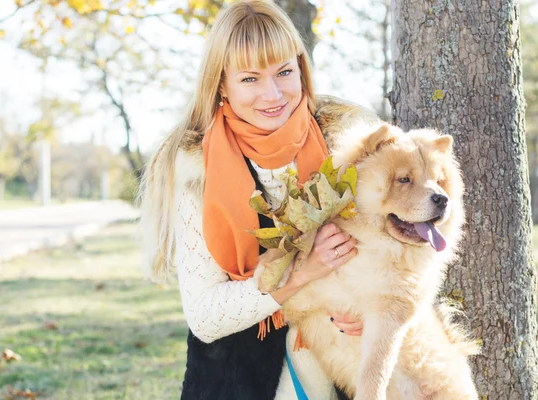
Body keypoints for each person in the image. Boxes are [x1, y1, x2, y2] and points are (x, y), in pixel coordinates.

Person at [139, 1, 378, 398]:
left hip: (337, 363)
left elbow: (394, 250)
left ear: (300, 70)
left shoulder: (347, 142)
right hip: (236, 375)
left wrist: (371, 309)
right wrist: (302, 273)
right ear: (221, 85)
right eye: (250, 79)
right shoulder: (195, 169)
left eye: (284, 72)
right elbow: (205, 317)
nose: (273, 94)